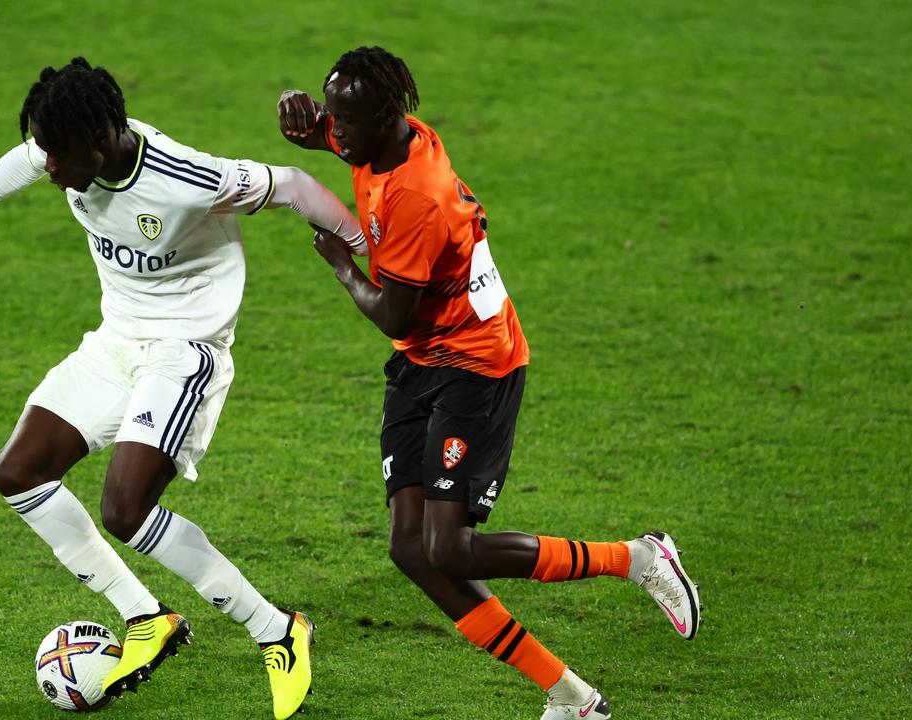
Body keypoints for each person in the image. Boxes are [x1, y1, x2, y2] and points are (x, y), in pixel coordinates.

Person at [0, 56, 368, 720]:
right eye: (45, 152)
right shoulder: (68, 143)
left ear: (102, 138)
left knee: (125, 509)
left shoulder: (184, 178)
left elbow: (292, 184)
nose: (50, 169)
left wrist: (363, 243)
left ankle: (276, 630)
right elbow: (24, 160)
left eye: (61, 157)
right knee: (19, 472)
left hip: (184, 351)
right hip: (116, 342)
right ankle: (147, 619)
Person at [276, 46, 701, 720]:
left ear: (386, 118)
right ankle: (571, 697)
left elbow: (392, 310)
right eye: (335, 115)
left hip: (476, 364)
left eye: (346, 120)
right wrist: (302, 122)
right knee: (411, 551)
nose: (337, 130)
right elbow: (329, 136)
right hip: (421, 362)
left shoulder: (419, 197)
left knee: (450, 547)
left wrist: (341, 262)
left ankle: (637, 558)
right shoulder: (384, 140)